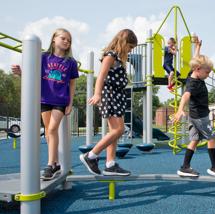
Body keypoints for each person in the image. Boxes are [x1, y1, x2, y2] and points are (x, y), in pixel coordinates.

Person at [11, 28, 79, 180]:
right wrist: (21, 72)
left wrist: (70, 102)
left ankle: (50, 165)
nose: (67, 41)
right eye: (63, 38)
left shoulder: (71, 62)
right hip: (44, 99)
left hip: (60, 100)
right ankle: (55, 164)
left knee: (53, 129)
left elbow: (72, 83)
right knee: (48, 131)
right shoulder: (43, 57)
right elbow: (32, 75)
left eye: (69, 40)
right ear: (54, 39)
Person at [80, 29, 137, 176]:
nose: (130, 51)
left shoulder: (118, 58)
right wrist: (97, 94)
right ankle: (91, 156)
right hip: (110, 94)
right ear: (123, 43)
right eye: (130, 47)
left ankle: (110, 164)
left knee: (115, 132)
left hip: (117, 95)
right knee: (119, 130)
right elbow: (101, 76)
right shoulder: (110, 55)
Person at [173, 38, 215, 178]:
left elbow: (195, 60)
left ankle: (185, 167)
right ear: (198, 70)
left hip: (194, 116)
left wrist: (197, 48)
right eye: (207, 72)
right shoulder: (194, 83)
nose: (208, 74)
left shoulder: (192, 75)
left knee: (195, 140)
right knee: (212, 137)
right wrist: (180, 109)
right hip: (200, 117)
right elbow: (186, 95)